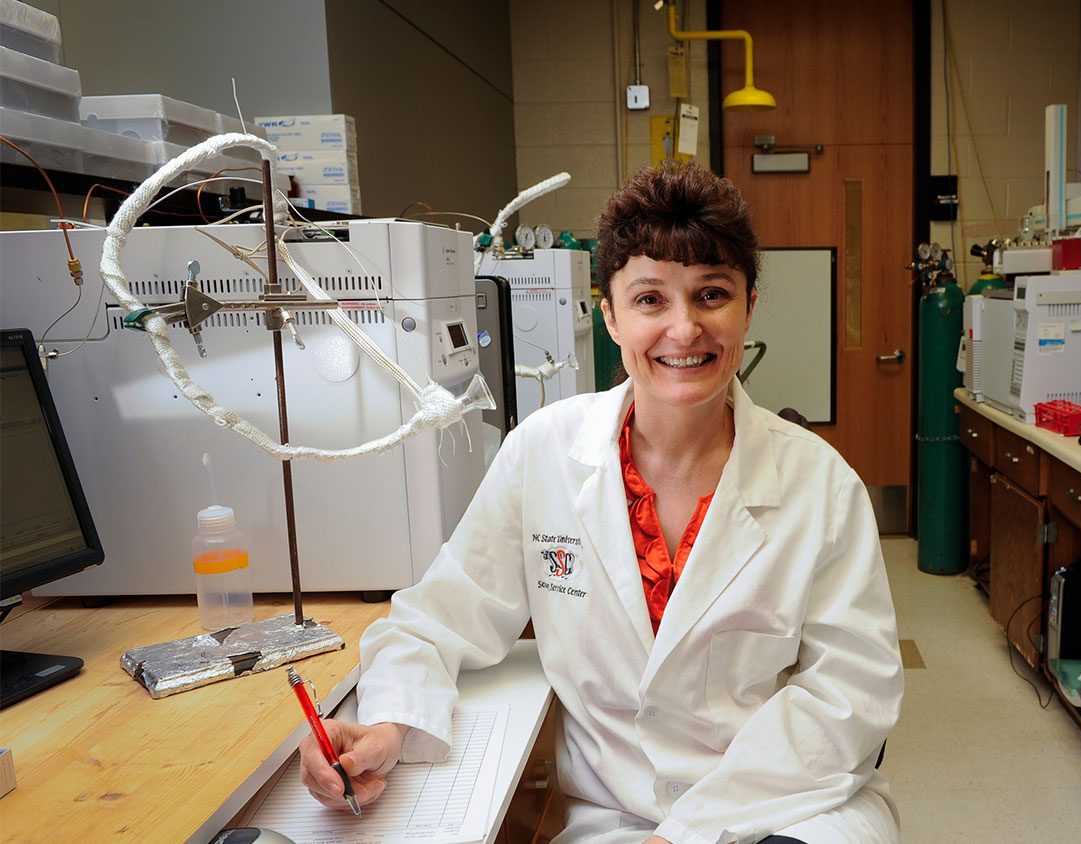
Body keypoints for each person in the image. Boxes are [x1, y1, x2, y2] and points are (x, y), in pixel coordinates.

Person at [299, 161, 904, 844]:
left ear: (749, 307)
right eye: (651, 300)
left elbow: (851, 696)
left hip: (787, 806)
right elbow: (433, 622)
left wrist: (689, 835)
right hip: (620, 816)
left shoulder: (820, 485)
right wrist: (388, 725)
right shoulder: (546, 455)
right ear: (609, 314)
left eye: (712, 295)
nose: (684, 330)